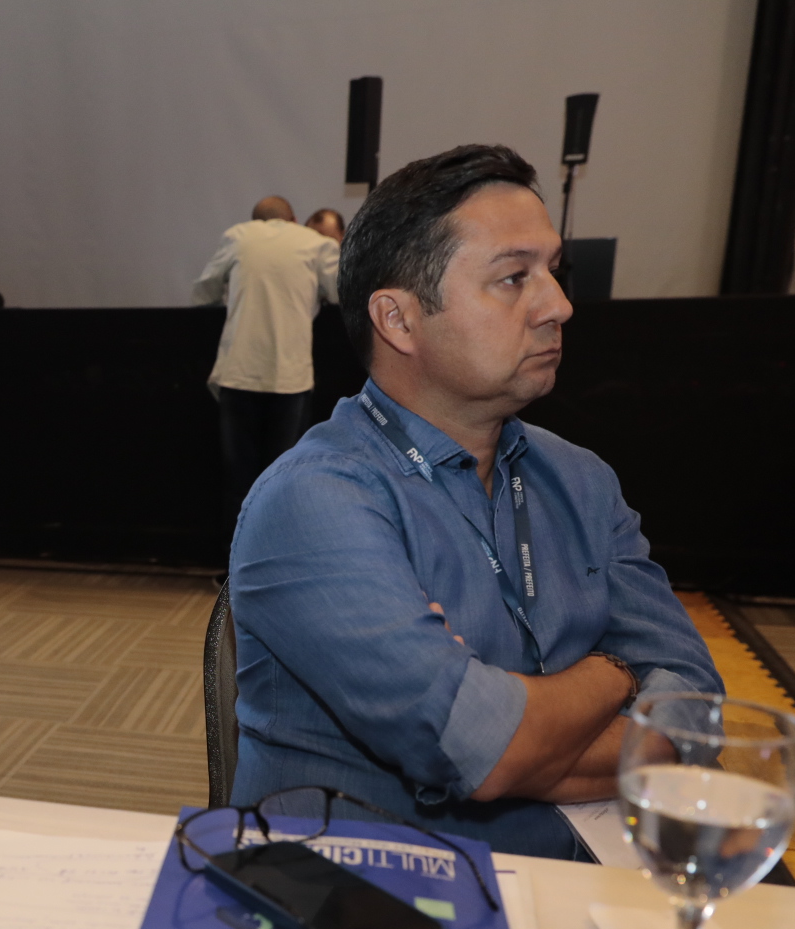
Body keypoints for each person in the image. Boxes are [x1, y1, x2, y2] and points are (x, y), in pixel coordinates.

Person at [228, 144, 722, 860]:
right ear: (398, 320)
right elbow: (484, 753)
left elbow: (697, 699)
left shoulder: (580, 479)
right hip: (377, 894)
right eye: (513, 278)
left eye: (554, 272)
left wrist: (530, 735)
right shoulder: (314, 501)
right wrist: (614, 672)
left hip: (593, 876)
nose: (558, 306)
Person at [193, 195, 340, 527]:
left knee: (239, 479)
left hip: (238, 373)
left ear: (254, 221)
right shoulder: (314, 242)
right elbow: (340, 292)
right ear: (293, 219)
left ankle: (234, 557)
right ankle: (277, 556)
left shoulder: (238, 237)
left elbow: (204, 291)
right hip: (289, 376)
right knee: (282, 478)